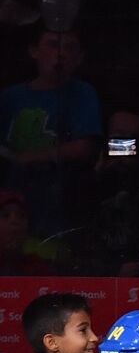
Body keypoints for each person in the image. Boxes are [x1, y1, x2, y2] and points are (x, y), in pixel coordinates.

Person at [0, 24, 101, 242]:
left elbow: (84, 146)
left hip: (59, 201)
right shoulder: (9, 97)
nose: (61, 54)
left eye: (69, 47)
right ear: (34, 51)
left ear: (80, 57)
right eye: (53, 45)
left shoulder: (82, 93)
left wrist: (26, 158)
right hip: (11, 198)